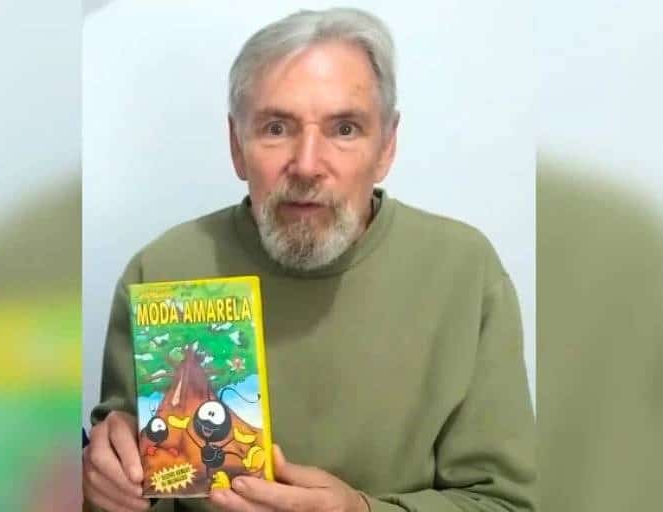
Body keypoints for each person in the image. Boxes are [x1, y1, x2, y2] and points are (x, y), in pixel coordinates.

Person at [84, 8, 536, 512]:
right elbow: (129, 482)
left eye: (344, 129)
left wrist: (362, 511)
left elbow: (506, 503)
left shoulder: (465, 274)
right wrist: (104, 488)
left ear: (386, 146)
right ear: (237, 146)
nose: (306, 165)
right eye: (277, 128)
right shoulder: (161, 272)